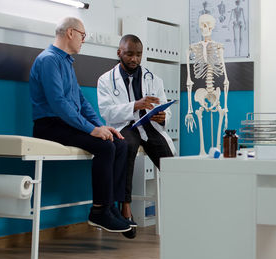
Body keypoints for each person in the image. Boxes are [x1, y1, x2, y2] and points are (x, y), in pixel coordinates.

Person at [29, 17, 135, 234]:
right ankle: (99, 211)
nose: (83, 40)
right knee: (105, 147)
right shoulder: (49, 60)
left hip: (65, 123)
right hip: (49, 125)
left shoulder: (65, 62)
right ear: (70, 33)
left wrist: (103, 127)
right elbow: (58, 104)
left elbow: (82, 102)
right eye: (82, 36)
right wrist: (91, 130)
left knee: (118, 142)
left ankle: (110, 207)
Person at [97, 34, 176, 238]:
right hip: (125, 126)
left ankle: (180, 207)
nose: (134, 59)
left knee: (170, 162)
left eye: (138, 55)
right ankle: (125, 206)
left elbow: (166, 107)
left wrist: (162, 116)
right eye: (129, 54)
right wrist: (136, 105)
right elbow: (107, 112)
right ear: (119, 53)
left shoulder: (153, 79)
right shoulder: (106, 80)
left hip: (149, 126)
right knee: (128, 146)